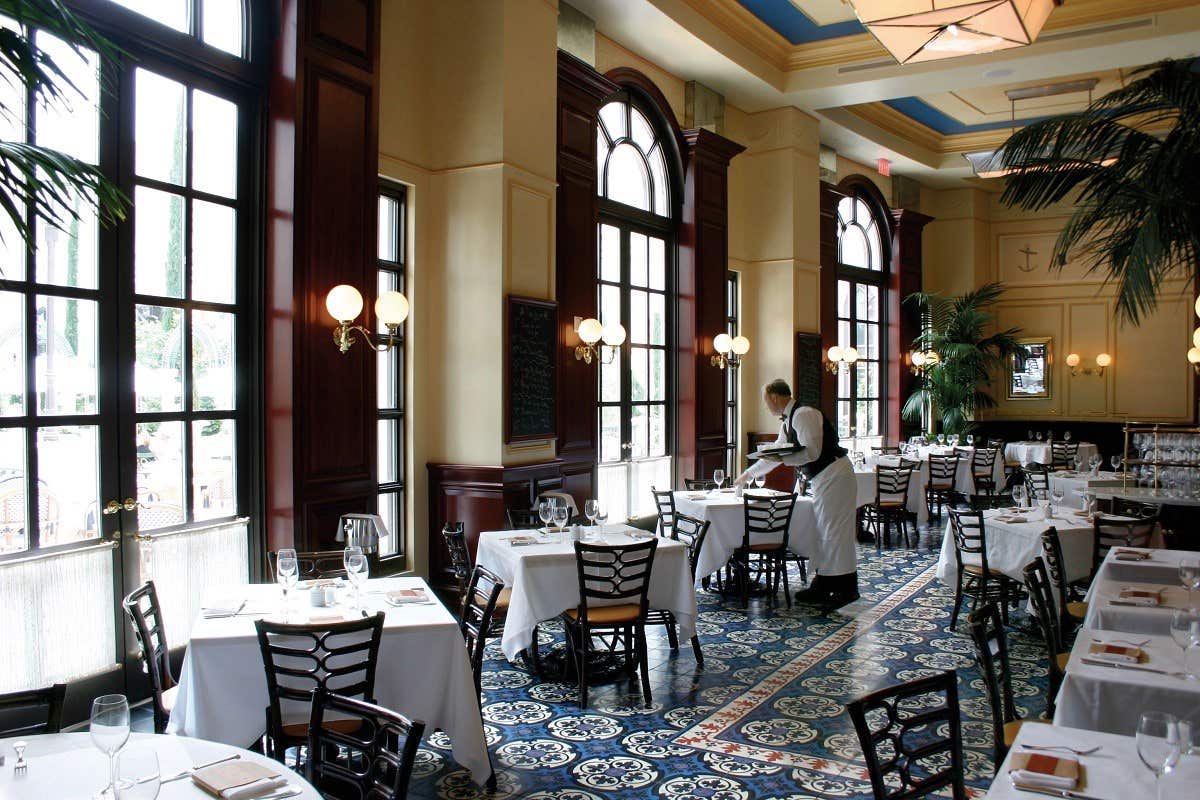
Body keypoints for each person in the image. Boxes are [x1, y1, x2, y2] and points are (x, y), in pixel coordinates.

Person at [734, 378, 859, 604]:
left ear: (774, 397)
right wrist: (748, 474)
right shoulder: (788, 422)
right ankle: (823, 583)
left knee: (835, 532)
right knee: (824, 531)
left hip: (835, 474)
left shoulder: (804, 415)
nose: (766, 406)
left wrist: (782, 458)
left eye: (765, 400)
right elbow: (775, 455)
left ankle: (846, 589)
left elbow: (812, 452)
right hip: (823, 478)